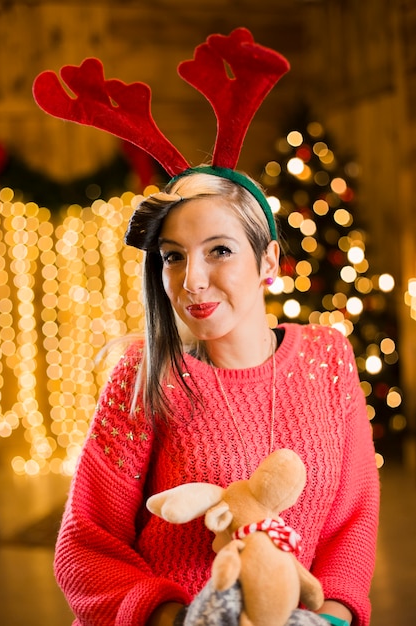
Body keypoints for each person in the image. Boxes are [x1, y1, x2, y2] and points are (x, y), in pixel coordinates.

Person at [53, 166, 380, 626]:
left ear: (268, 261)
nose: (192, 280)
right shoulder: (146, 375)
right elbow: (86, 542)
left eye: (219, 250)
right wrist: (176, 619)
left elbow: (355, 519)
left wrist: (329, 618)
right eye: (173, 257)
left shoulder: (329, 356)